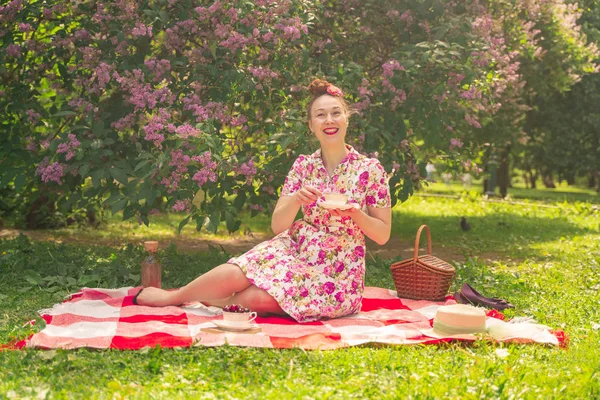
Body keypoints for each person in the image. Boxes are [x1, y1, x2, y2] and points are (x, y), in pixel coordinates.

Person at [134, 79, 392, 322]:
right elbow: (278, 226)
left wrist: (356, 213)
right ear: (311, 125)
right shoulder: (303, 165)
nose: (329, 120)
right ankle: (173, 297)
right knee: (237, 273)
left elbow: (382, 235)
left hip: (338, 273)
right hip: (296, 250)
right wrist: (295, 201)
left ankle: (217, 299)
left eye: (336, 113)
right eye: (320, 115)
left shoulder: (370, 169)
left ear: (347, 119)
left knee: (254, 298)